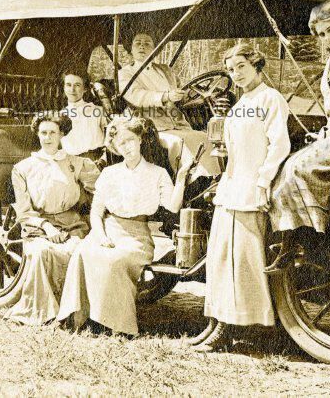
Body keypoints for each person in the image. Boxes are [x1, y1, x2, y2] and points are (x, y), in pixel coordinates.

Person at [191, 44, 291, 352]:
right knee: (221, 259)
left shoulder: (270, 99)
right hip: (232, 188)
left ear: (257, 65)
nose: (236, 74)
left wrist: (263, 181)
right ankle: (218, 324)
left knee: (245, 262)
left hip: (251, 189)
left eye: (242, 67)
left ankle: (246, 328)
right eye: (232, 70)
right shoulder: (241, 103)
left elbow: (279, 145)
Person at [56, 116, 191, 336]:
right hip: (108, 229)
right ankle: (81, 318)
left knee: (114, 261)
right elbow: (97, 212)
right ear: (115, 148)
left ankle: (113, 324)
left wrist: (182, 178)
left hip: (137, 237)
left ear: (140, 140)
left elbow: (173, 206)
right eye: (121, 143)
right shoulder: (110, 173)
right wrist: (101, 236)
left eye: (130, 140)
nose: (126, 147)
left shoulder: (157, 173)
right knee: (82, 253)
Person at [265, 0, 330, 272]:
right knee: (286, 165)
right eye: (322, 34)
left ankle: (303, 240)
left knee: (296, 168)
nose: (328, 38)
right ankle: (293, 238)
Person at [5, 112, 101, 325]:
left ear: (61, 135)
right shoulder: (23, 168)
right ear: (37, 134)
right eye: (43, 133)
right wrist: (47, 227)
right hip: (38, 228)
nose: (47, 138)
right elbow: (24, 211)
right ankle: (44, 312)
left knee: (79, 252)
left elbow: (102, 189)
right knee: (41, 252)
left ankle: (73, 314)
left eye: (52, 133)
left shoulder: (76, 163)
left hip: (72, 226)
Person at [118, 32, 219, 178]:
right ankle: (190, 179)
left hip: (177, 123)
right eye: (137, 43)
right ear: (131, 49)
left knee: (204, 137)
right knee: (178, 142)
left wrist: (198, 95)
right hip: (151, 126)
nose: (142, 46)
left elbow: (180, 91)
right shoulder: (125, 73)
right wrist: (165, 96)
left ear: (155, 49)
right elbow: (136, 95)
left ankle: (213, 177)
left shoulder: (165, 70)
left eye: (147, 43)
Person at [59, 71, 107, 162]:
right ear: (64, 87)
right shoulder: (60, 115)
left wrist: (103, 161)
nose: (72, 90)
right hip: (71, 163)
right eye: (68, 85)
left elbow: (110, 141)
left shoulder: (97, 111)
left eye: (77, 85)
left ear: (85, 89)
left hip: (97, 161)